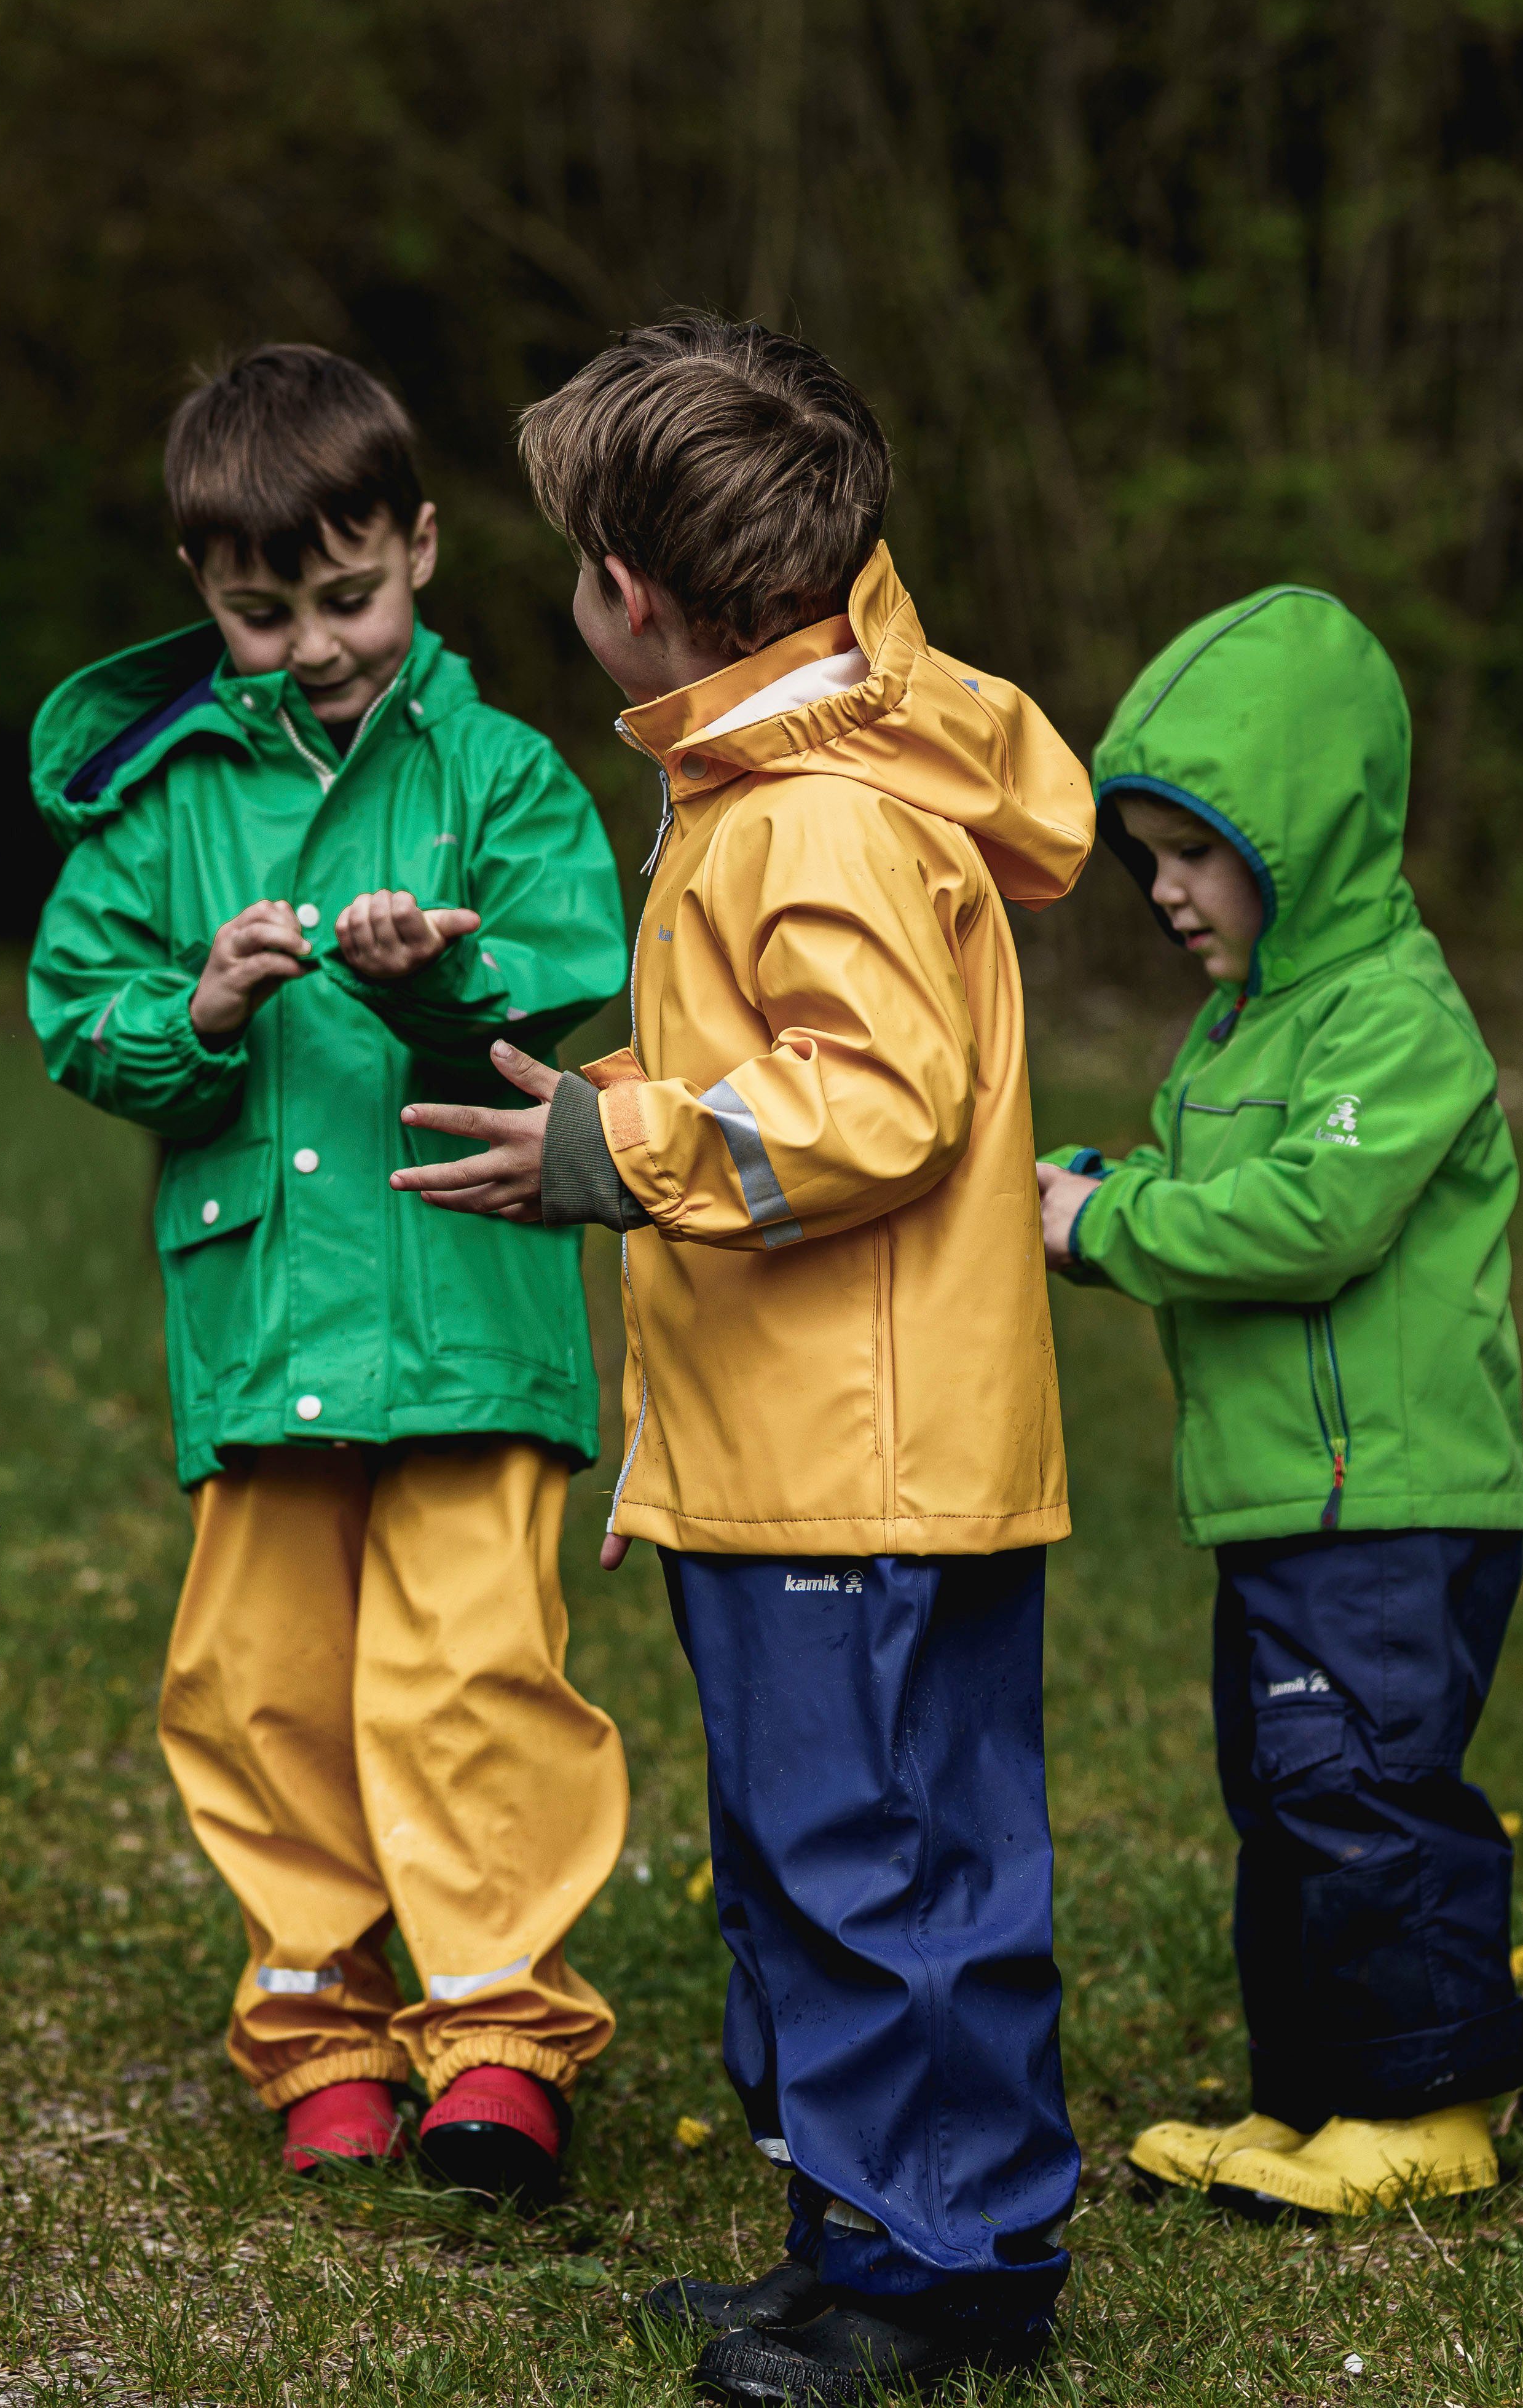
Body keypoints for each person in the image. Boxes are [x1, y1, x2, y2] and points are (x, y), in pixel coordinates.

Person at [398, 317, 1093, 2404]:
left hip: (848, 1466)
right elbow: (783, 1076)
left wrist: (616, 1144)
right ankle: (898, 2233)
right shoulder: (803, 770)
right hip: (859, 1452)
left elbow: (873, 1101)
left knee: (859, 1852)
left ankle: (924, 2261)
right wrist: (615, 1107)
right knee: (897, 1849)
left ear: (635, 594)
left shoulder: (813, 815)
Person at [25, 345, 634, 2203]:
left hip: (467, 1295)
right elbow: (76, 1004)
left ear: (425, 549)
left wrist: (434, 971)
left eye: (346, 596)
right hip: (267, 1314)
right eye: (256, 611)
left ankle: (494, 2025)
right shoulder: (157, 803)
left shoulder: (501, 769)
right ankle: (316, 2017)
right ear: (202, 596)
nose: (308, 644)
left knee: (472, 1668)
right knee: (261, 1673)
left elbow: (571, 960)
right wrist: (189, 1008)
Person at [1035, 587, 1523, 2219]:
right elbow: (1204, 1184)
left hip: (1387, 1497)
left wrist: (1104, 1227)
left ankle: (1432, 2105)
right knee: (1285, 1795)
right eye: (1147, 856)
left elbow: (1314, 1215)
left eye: (1195, 851)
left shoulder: (1391, 1012)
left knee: (1365, 1785)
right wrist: (1104, 1185)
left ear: (1305, 834)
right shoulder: (1233, 1027)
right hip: (1279, 1501)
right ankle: (1312, 2094)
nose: (1164, 891)